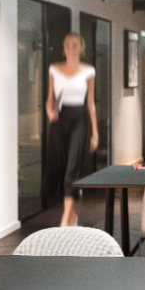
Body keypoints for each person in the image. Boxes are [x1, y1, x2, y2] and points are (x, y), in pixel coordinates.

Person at [42, 33, 98, 227]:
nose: (71, 48)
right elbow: (49, 99)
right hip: (59, 120)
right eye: (67, 45)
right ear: (63, 48)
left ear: (81, 48)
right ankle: (72, 214)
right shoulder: (54, 69)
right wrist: (50, 113)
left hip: (79, 120)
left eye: (75, 45)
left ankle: (65, 217)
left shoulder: (88, 71)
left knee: (72, 168)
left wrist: (95, 133)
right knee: (59, 167)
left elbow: (90, 104)